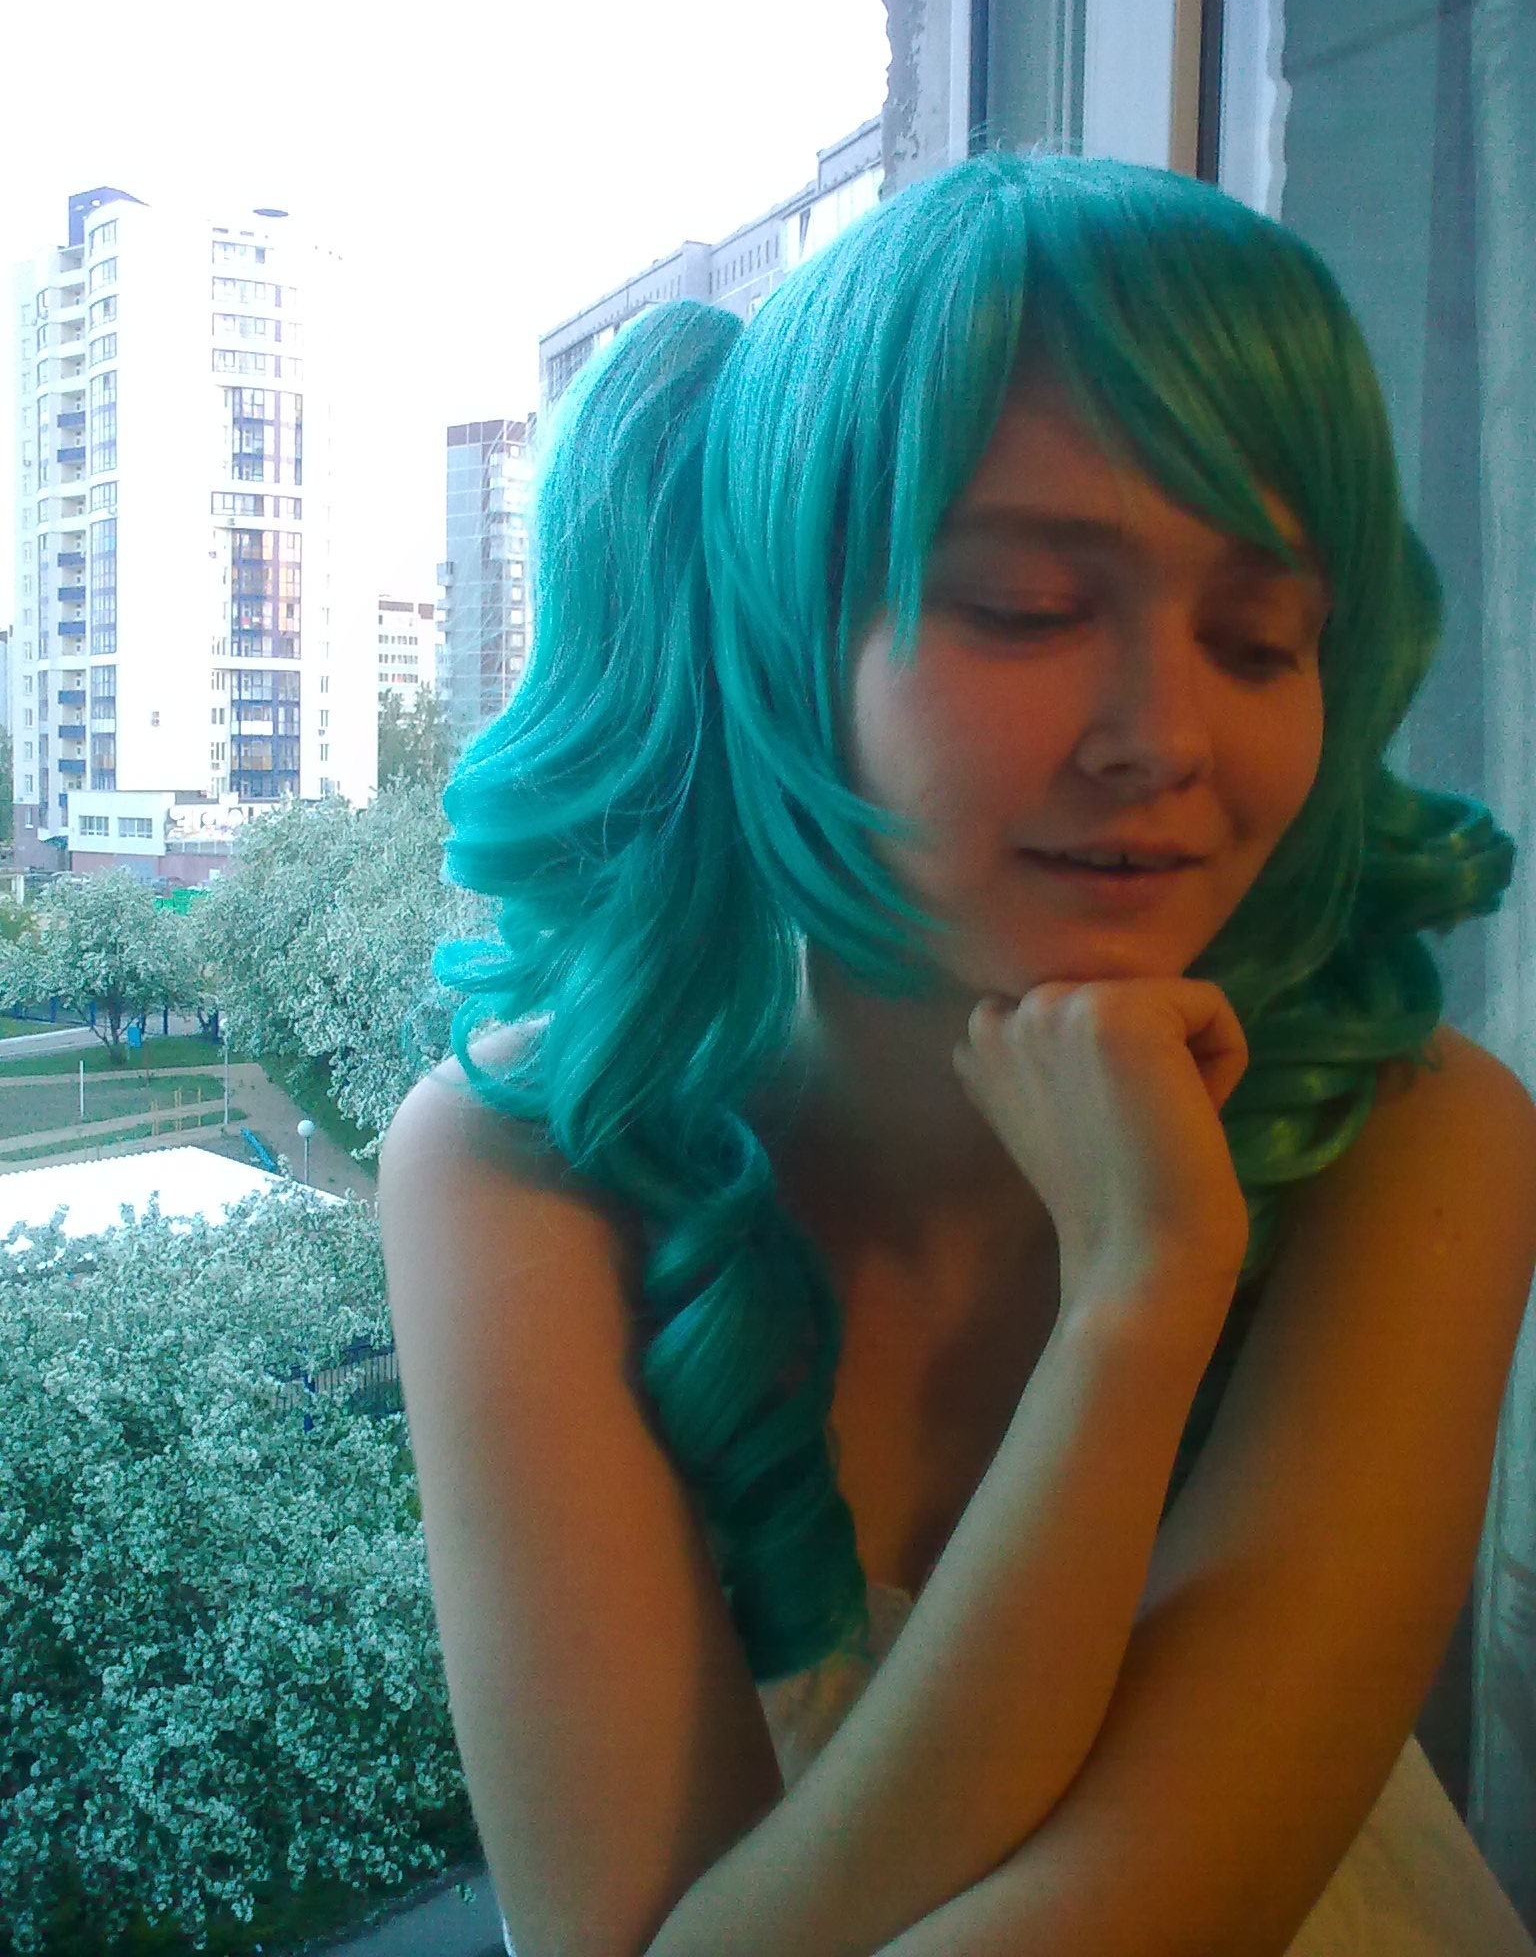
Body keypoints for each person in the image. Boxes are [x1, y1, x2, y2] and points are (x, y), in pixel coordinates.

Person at [378, 149, 1536, 1957]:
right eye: (1027, 609)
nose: (1164, 736)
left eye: (1260, 640)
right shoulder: (522, 1163)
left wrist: (1147, 1297)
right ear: (781, 642)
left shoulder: (1419, 1138)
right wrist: (1134, 1300)